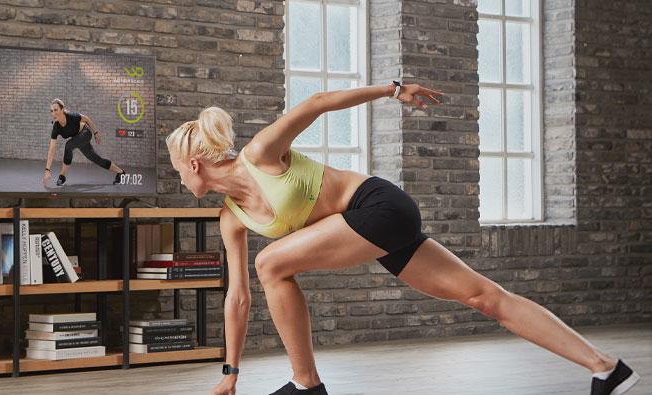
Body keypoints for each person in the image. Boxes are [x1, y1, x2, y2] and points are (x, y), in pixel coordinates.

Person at [165, 82, 639, 395]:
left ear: (193, 165)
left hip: (379, 205)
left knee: (271, 263)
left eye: (176, 171)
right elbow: (238, 298)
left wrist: (394, 89)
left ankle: (306, 385)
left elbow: (314, 105)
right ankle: (607, 368)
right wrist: (230, 374)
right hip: (372, 230)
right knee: (484, 297)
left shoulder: (260, 155)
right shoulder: (232, 218)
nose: (179, 180)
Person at [44, 98, 125, 187]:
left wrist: (96, 132)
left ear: (62, 109)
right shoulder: (56, 127)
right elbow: (51, 149)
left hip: (85, 133)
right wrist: (47, 170)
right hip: (77, 138)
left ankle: (62, 177)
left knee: (68, 146)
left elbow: (86, 119)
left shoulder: (72, 116)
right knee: (96, 158)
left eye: (56, 110)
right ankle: (121, 172)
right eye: (51, 111)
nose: (54, 113)